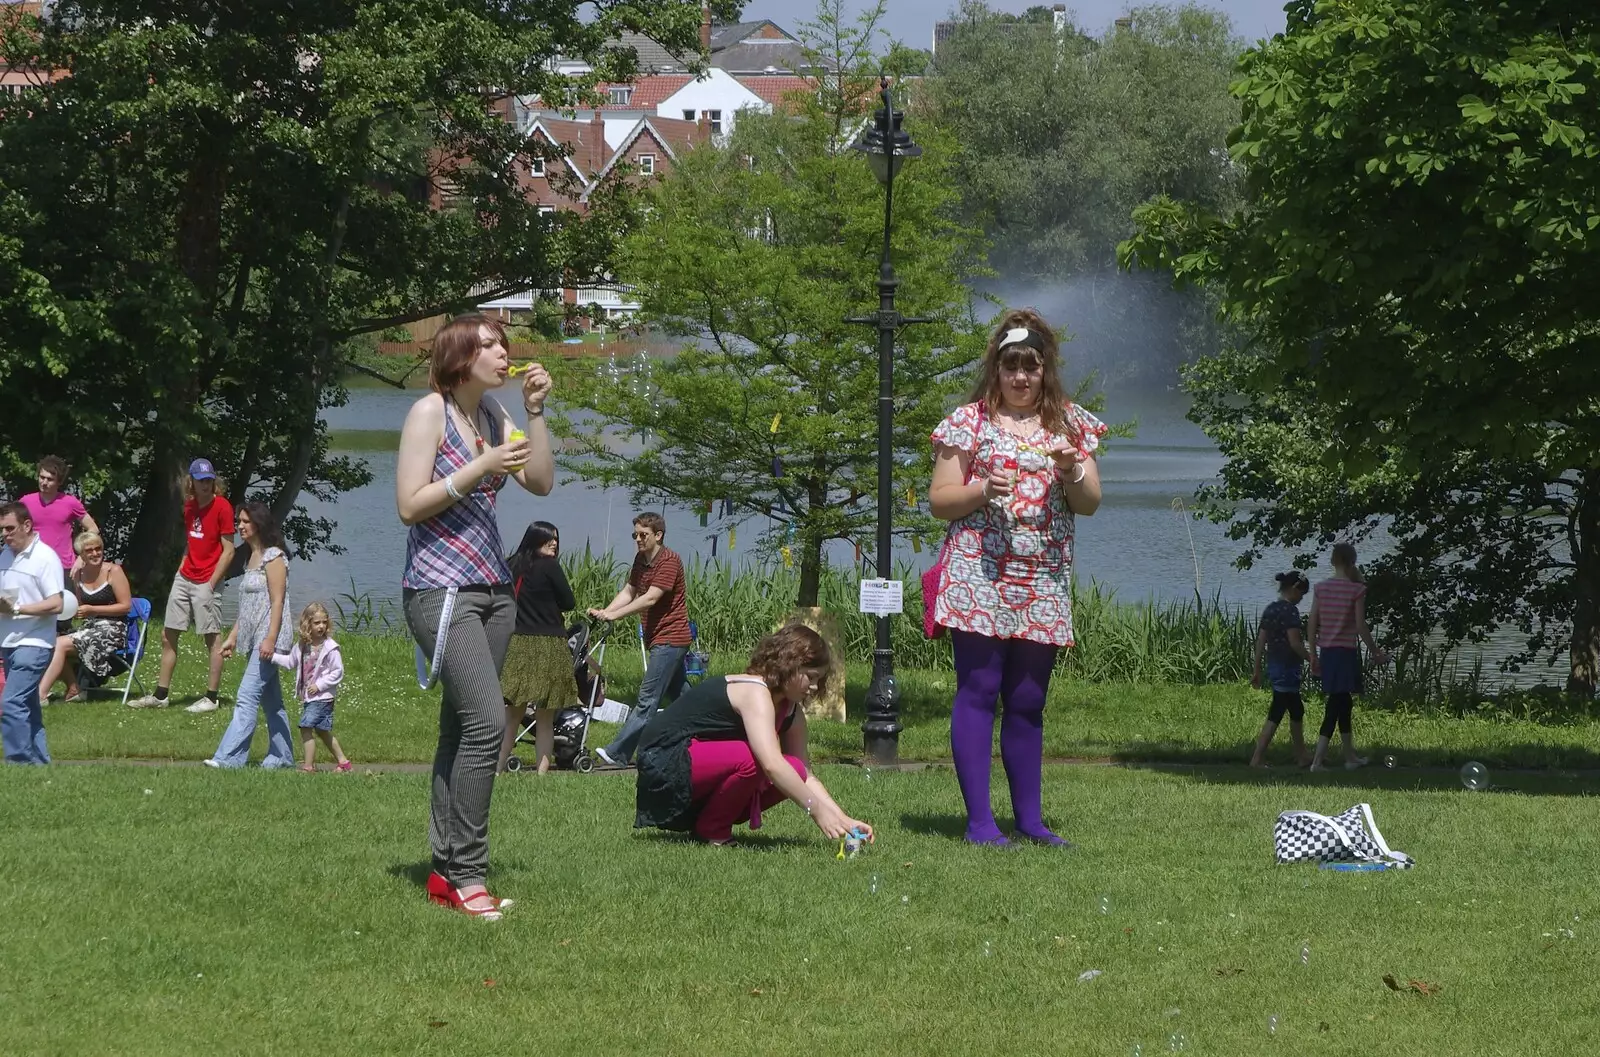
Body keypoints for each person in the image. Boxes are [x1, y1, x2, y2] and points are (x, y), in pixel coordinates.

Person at [927, 309, 1108, 847]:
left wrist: (1072, 468)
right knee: (979, 690)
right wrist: (983, 488)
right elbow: (940, 501)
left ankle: (1030, 820)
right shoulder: (969, 422)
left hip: (1043, 576)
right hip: (977, 572)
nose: (1021, 377)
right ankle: (981, 822)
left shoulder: (1070, 425)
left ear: (1046, 370)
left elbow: (1090, 503)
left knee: (1029, 699)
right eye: (1011, 367)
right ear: (996, 369)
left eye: (1031, 367)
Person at [397, 312, 553, 921]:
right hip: (441, 591)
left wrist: (535, 413)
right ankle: (467, 873)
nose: (501, 352)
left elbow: (539, 482)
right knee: (489, 725)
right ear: (460, 355)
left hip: (493, 592)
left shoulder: (493, 416)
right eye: (487, 344)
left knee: (460, 730)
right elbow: (410, 506)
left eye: (503, 343)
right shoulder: (430, 413)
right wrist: (480, 469)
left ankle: (443, 870)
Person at [635, 624, 874, 847]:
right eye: (810, 676)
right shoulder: (755, 691)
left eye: (818, 680)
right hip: (663, 759)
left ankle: (709, 823)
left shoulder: (792, 711)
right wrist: (816, 811)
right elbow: (770, 764)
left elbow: (807, 776)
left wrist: (843, 819)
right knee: (753, 758)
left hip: (696, 765)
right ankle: (712, 830)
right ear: (788, 664)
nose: (813, 687)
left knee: (796, 769)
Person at [130, 458, 234, 711]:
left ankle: (211, 698)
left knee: (212, 638)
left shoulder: (222, 507)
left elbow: (229, 551)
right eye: (201, 481)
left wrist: (211, 584)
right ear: (192, 482)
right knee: (168, 635)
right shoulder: (189, 507)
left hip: (207, 581)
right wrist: (181, 568)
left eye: (209, 480)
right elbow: (191, 543)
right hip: (185, 576)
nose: (206, 485)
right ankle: (161, 695)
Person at [590, 512, 690, 768]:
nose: (638, 539)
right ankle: (713, 735)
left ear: (659, 535)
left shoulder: (669, 561)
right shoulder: (641, 559)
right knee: (685, 700)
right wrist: (606, 612)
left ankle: (618, 753)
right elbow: (630, 590)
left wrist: (615, 615)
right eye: (635, 534)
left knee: (647, 699)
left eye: (643, 535)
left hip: (671, 638)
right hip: (658, 639)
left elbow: (650, 598)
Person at [204, 502, 296, 769]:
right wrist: (233, 636)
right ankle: (282, 757)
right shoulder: (251, 557)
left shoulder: (275, 556)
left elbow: (277, 602)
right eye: (239, 521)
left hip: (270, 639)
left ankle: (230, 759)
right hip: (253, 637)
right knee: (272, 702)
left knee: (246, 696)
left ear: (258, 524)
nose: (239, 526)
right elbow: (247, 607)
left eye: (245, 522)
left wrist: (270, 638)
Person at [499, 521, 577, 774]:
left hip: (518, 643)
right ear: (535, 540)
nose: (554, 543)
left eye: (555, 538)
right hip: (549, 644)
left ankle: (497, 769)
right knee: (545, 717)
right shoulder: (550, 567)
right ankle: (541, 775)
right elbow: (568, 602)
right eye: (548, 539)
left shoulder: (512, 566)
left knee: (513, 714)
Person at [1306, 543, 1388, 772]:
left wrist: (1313, 653)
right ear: (1353, 562)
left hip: (1328, 653)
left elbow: (1313, 622)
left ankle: (1350, 757)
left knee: (1344, 703)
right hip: (1346, 653)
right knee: (1336, 705)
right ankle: (1317, 762)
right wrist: (1375, 651)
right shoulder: (1356, 590)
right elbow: (1361, 626)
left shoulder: (1321, 588)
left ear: (1333, 561)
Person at [0, 502, 64, 764]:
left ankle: (19, 763)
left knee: (11, 703)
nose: (5, 534)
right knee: (28, 707)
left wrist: (17, 608)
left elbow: (57, 603)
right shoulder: (4, 554)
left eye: (10, 528)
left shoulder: (45, 558)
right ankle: (40, 765)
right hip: (8, 642)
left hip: (35, 643)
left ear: (27, 526)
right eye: (2, 529)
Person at [41, 532, 132, 702]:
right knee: (49, 640)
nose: (95, 553)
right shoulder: (78, 575)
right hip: (90, 626)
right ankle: (74, 688)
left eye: (98, 549)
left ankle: (41, 694)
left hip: (113, 629)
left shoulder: (113, 571)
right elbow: (79, 606)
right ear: (81, 555)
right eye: (89, 550)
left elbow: (126, 606)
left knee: (59, 644)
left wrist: (92, 609)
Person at [273, 601, 351, 773]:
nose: (321, 626)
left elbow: (337, 672)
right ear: (307, 624)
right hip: (310, 697)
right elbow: (289, 662)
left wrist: (320, 685)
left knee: (306, 727)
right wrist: (271, 656)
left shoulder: (330, 648)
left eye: (324, 622)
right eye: (317, 623)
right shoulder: (302, 645)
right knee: (322, 731)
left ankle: (308, 767)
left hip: (322, 697)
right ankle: (343, 763)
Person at [1249, 571, 1312, 768]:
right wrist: (1313, 659)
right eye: (1301, 594)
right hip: (1288, 667)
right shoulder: (1290, 611)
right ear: (1294, 589)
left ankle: (1301, 756)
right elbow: (1295, 643)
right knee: (1277, 712)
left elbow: (1261, 641)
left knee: (1296, 710)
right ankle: (1257, 758)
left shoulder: (1271, 609)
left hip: (1275, 666)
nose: (1301, 599)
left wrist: (1257, 668)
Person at [19, 455, 97, 574]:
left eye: (50, 479)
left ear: (59, 482)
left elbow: (93, 528)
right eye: (42, 477)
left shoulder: (70, 503)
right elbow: (10, 526)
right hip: (31, 565)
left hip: (62, 567)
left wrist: (82, 556)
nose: (44, 482)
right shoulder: (26, 501)